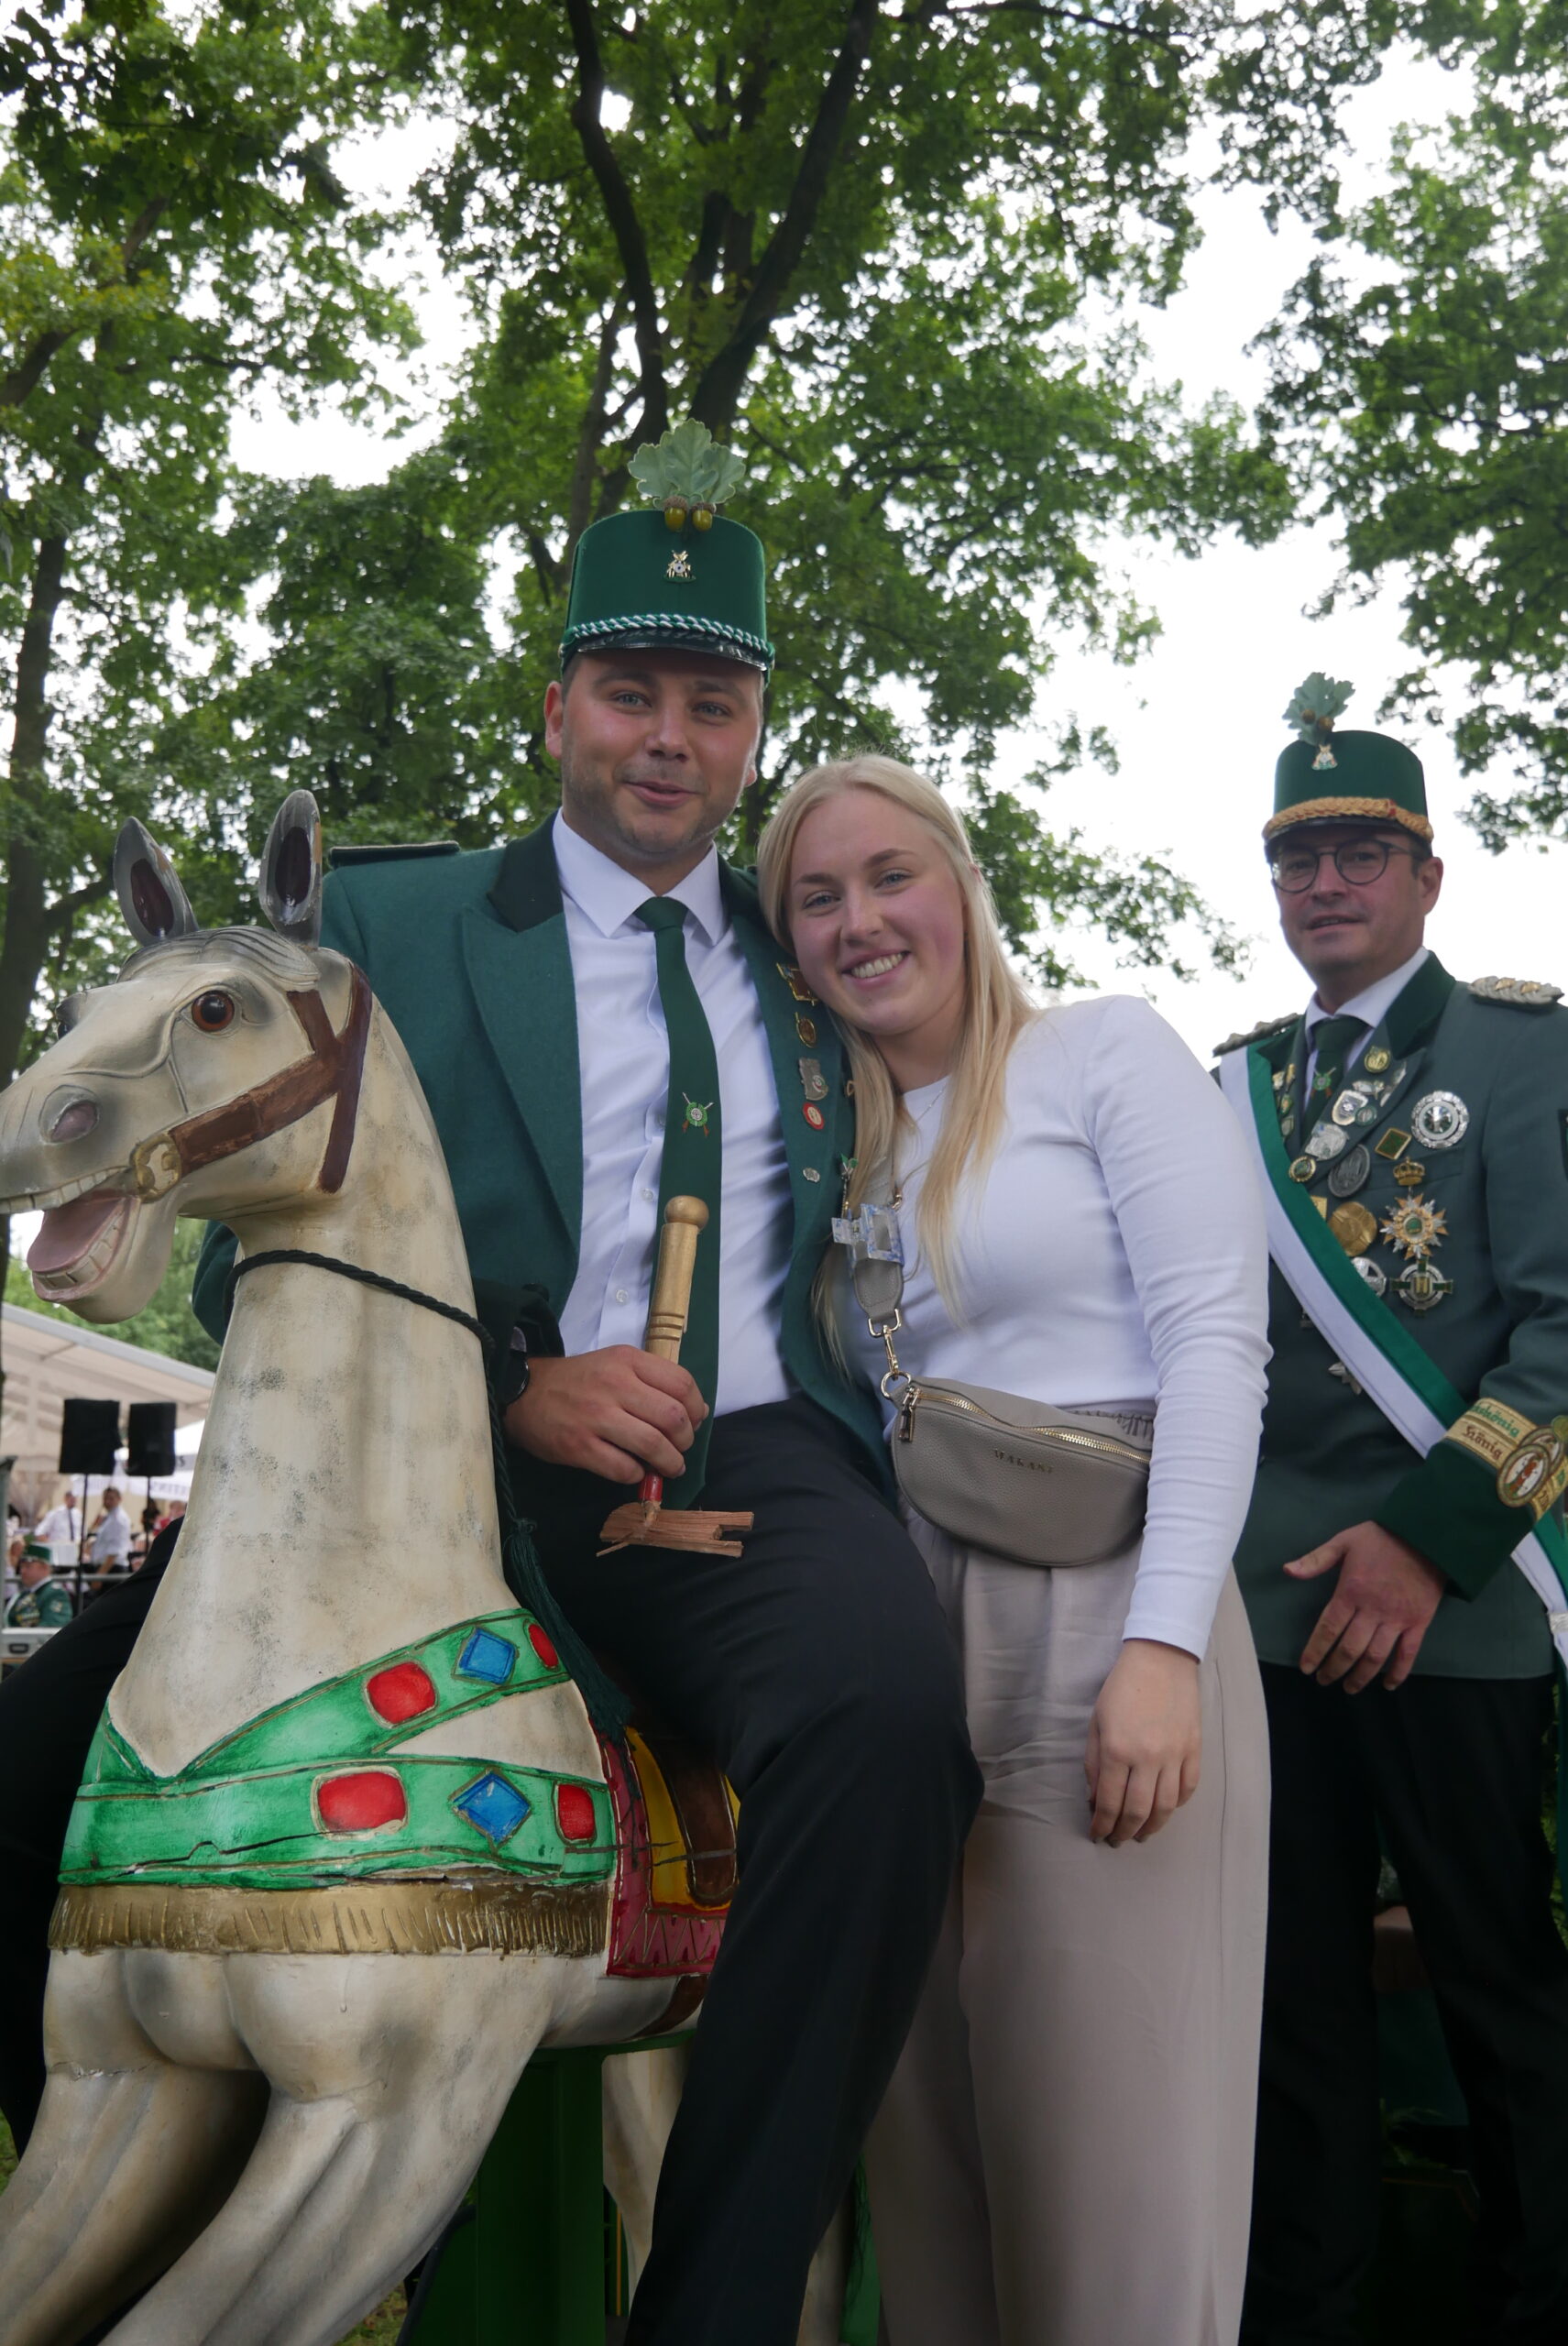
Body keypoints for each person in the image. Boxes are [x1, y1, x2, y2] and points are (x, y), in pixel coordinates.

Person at [0, 423, 980, 2346]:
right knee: (29, 1760)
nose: (668, 738)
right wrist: (518, 1382)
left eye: (712, 703)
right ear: (557, 711)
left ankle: (714, 2307)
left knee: (884, 1726)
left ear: (752, 737)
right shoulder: (391, 923)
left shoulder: (818, 960)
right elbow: (261, 1223)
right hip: (413, 1461)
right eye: (630, 693)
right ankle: (145, 2199)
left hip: (741, 1472)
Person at [757, 755, 1272, 2346]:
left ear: (960, 886)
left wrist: (1163, 1648)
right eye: (816, 899)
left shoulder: (1101, 1054)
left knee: (1107, 2187)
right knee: (932, 2179)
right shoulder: (821, 1154)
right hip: (901, 1648)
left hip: (1106, 1603)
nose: (859, 921)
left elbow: (1215, 1347)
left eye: (889, 876)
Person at [1215, 679, 1568, 2346]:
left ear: (1426, 876)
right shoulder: (1230, 1088)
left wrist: (1425, 1541)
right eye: (1297, 858)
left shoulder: (1518, 1054)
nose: (1325, 884)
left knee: (1498, 1987)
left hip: (1457, 1605)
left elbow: (1561, 1329)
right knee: (1286, 2005)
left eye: (1360, 853)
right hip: (1264, 1614)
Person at [4, 1542, 73, 1629]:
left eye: (28, 1567)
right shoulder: (23, 1594)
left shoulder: (56, 1594)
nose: (22, 1571)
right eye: (21, 1567)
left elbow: (52, 1627)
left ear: (44, 1568)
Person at [84, 1485, 133, 1588]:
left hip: (111, 1569)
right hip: (107, 1568)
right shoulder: (110, 1517)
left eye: (111, 1498)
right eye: (105, 1498)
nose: (107, 1501)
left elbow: (114, 1551)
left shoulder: (117, 1519)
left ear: (119, 1499)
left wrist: (100, 1576)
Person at [31, 1491, 82, 1571]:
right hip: (59, 1555)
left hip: (75, 1553)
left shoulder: (78, 1514)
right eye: (71, 1498)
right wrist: (51, 1546)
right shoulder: (55, 1513)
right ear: (65, 1498)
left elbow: (82, 1534)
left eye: (75, 1498)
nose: (73, 1500)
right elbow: (39, 1532)